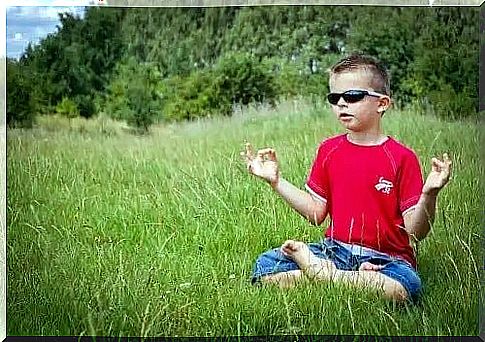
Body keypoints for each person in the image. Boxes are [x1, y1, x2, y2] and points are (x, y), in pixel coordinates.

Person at [241, 54, 452, 303]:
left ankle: (323, 275)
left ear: (382, 103)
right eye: (334, 98)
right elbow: (316, 213)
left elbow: (415, 233)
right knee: (265, 266)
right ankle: (341, 277)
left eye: (352, 96)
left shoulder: (402, 158)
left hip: (388, 259)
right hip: (335, 251)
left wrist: (429, 194)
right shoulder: (329, 150)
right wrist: (276, 182)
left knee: (405, 288)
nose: (341, 103)